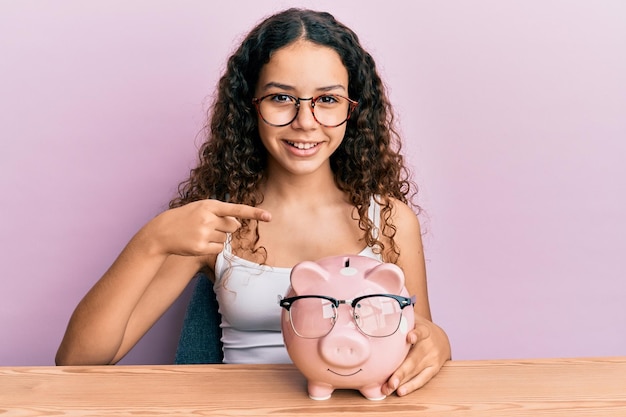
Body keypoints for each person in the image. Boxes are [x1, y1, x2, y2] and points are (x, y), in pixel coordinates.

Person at [56, 8, 451, 397]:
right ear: (250, 105)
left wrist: (439, 343)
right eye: (282, 97)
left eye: (327, 100)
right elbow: (78, 361)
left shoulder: (388, 220)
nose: (306, 122)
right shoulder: (214, 224)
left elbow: (418, 344)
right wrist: (151, 240)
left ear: (354, 110)